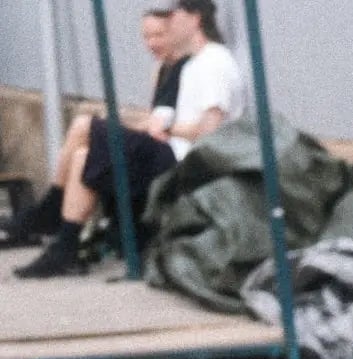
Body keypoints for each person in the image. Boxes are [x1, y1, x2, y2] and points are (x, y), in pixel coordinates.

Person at [10, 0, 247, 280]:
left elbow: (210, 130)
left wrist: (167, 129)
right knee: (83, 156)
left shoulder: (215, 62)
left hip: (186, 163)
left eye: (173, 16)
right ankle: (65, 247)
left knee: (85, 125)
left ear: (195, 19)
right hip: (170, 152)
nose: (169, 22)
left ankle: (49, 211)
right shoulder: (194, 63)